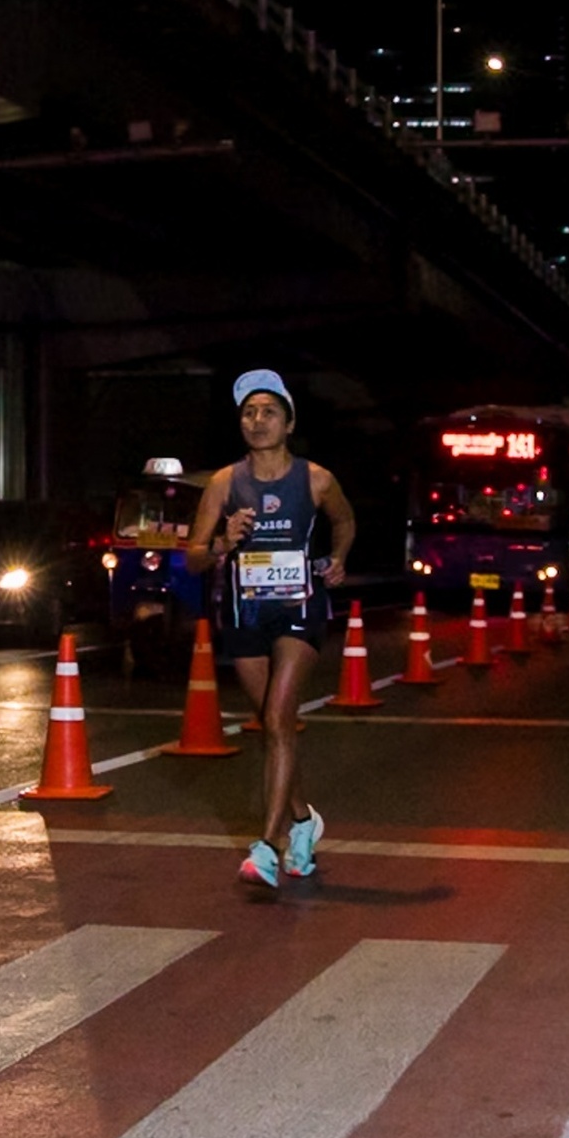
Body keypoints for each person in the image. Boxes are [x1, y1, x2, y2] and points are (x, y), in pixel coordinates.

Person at [181, 369, 357, 893]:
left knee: (280, 716)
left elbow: (345, 521)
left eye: (269, 412)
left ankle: (267, 844)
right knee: (272, 726)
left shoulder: (316, 479)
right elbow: (192, 558)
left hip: (300, 606)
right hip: (245, 611)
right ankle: (303, 821)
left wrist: (338, 558)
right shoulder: (224, 483)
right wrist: (221, 543)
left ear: (289, 423)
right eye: (249, 413)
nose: (258, 421)